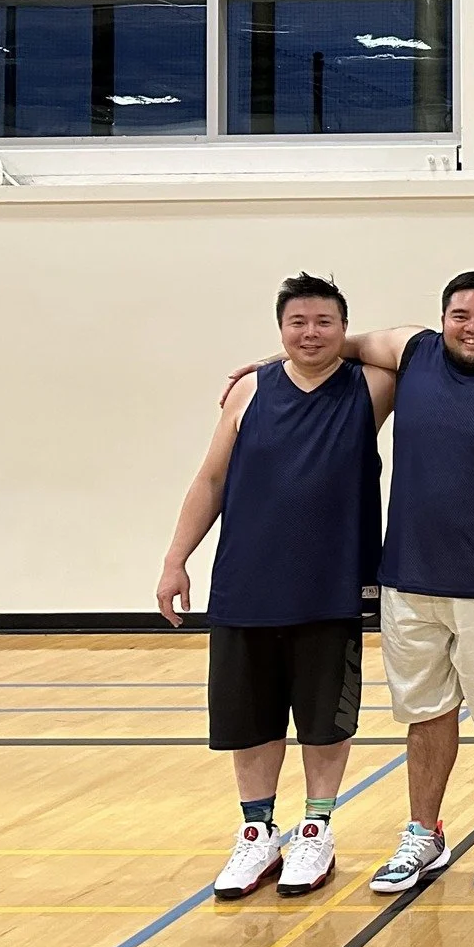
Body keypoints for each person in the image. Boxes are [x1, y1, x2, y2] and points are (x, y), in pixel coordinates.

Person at [233, 271, 474, 895]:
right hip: (408, 576)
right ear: (443, 317)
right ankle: (423, 833)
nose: (473, 325)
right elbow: (336, 344)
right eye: (461, 314)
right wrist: (263, 362)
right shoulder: (413, 351)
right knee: (426, 713)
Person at [161, 273, 390, 900]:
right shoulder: (247, 393)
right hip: (246, 583)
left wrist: (342, 348)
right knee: (251, 718)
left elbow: (411, 343)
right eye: (297, 323)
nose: (310, 333)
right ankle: (258, 833)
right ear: (279, 328)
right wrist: (176, 559)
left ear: (344, 329)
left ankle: (316, 827)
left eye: (324, 323)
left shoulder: (371, 386)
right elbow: (210, 481)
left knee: (323, 719)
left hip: (331, 585)